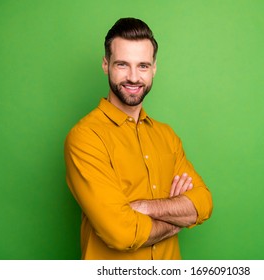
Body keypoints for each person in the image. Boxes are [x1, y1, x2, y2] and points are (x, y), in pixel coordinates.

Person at [64, 17, 213, 260]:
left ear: (154, 68)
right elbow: (121, 233)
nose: (133, 77)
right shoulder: (85, 138)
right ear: (106, 64)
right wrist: (175, 219)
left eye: (143, 66)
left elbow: (203, 204)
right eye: (123, 65)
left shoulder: (167, 137)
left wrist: (143, 208)